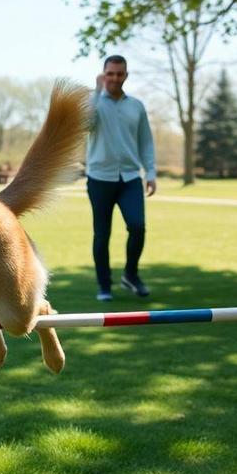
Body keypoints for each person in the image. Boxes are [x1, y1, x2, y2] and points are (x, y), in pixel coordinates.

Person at [86, 55, 156, 301]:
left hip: (129, 178)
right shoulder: (93, 102)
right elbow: (86, 124)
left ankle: (131, 275)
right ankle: (104, 286)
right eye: (110, 74)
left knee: (137, 226)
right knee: (102, 234)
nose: (114, 78)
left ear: (126, 75)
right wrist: (96, 91)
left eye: (119, 74)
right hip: (99, 179)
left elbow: (146, 141)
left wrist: (151, 172)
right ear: (103, 74)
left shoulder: (136, 106)